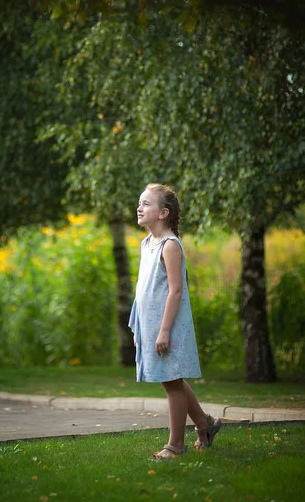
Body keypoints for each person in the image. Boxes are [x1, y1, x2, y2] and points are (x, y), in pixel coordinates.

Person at [128, 183, 222, 460]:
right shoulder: (147, 243)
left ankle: (175, 445)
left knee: (172, 383)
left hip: (167, 326)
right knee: (173, 381)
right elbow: (143, 288)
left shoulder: (170, 245)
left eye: (146, 203)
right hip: (151, 326)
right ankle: (205, 425)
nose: (139, 207)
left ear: (163, 213)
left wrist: (164, 331)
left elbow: (175, 291)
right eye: (139, 202)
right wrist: (139, 327)